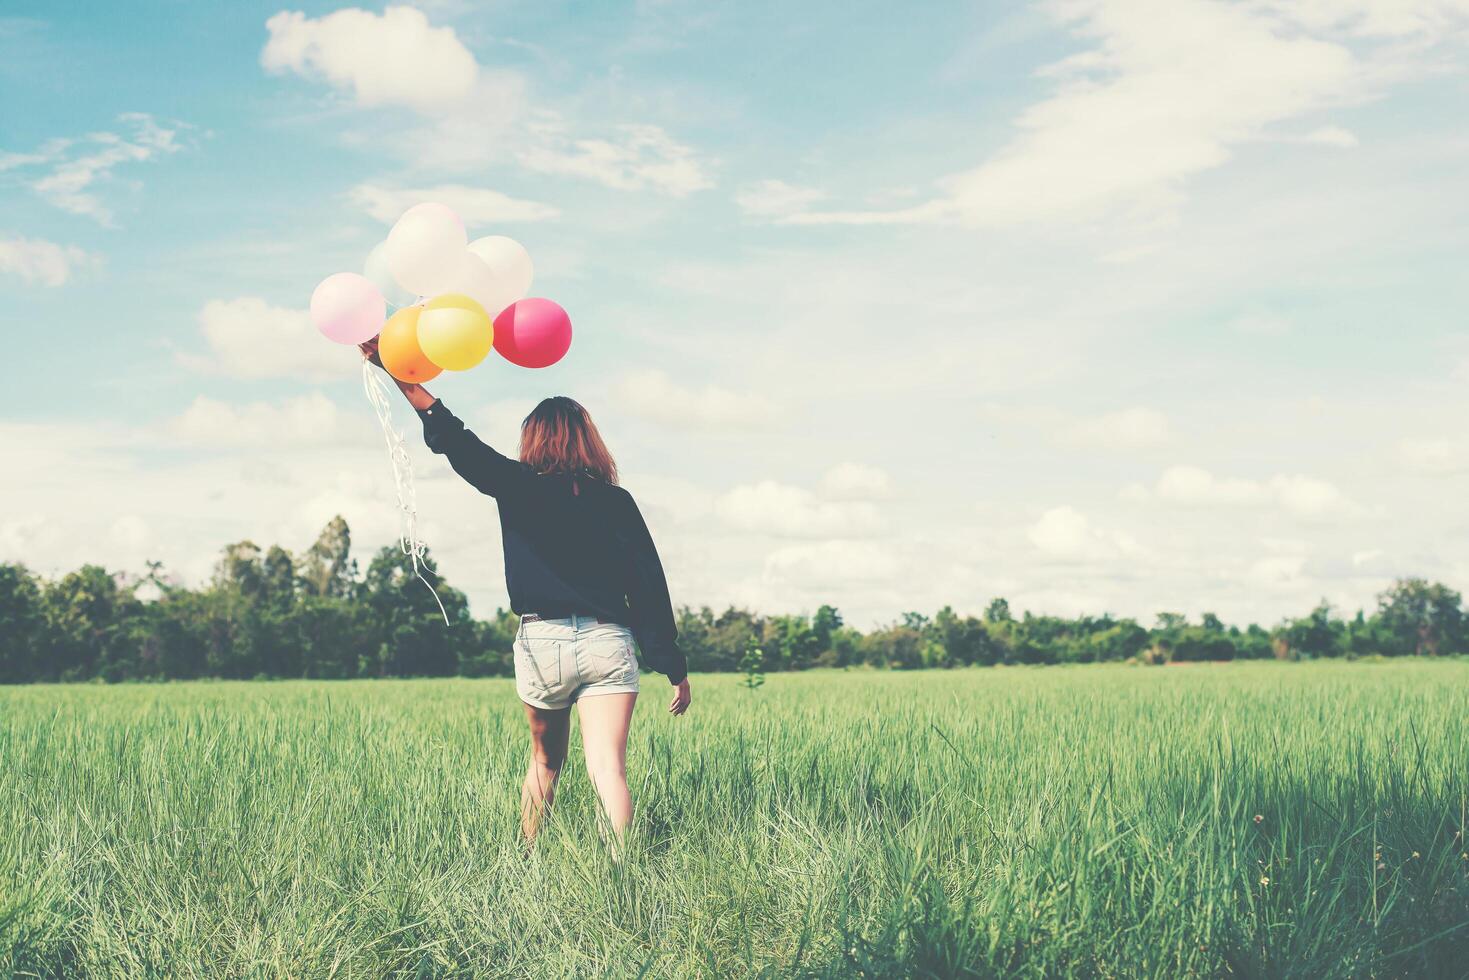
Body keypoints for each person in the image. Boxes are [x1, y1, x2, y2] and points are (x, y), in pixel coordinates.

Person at [360, 339, 691, 849]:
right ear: (589, 442)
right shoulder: (616, 502)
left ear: (532, 440)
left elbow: (452, 436)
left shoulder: (514, 485)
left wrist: (396, 371)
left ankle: (529, 860)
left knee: (544, 762)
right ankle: (625, 879)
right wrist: (673, 666)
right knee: (608, 771)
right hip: (608, 643)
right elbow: (648, 583)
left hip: (542, 644)